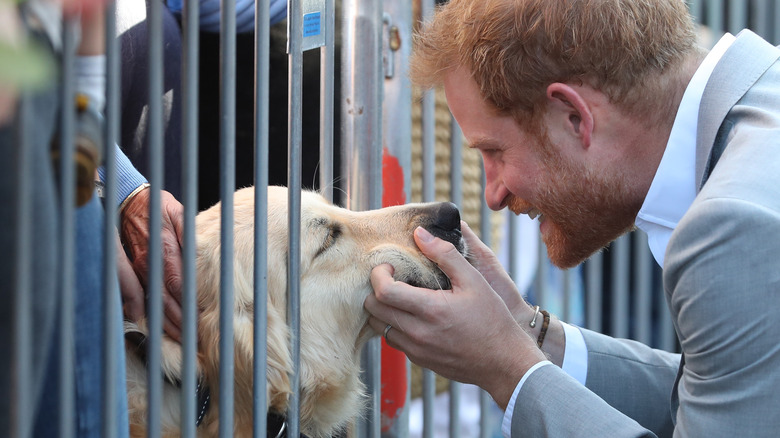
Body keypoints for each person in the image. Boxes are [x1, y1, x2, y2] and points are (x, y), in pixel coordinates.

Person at [364, 0, 780, 436]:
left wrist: (506, 368)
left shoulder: (732, 227)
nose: (493, 195)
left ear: (574, 116)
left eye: (495, 151)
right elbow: (727, 393)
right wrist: (528, 332)